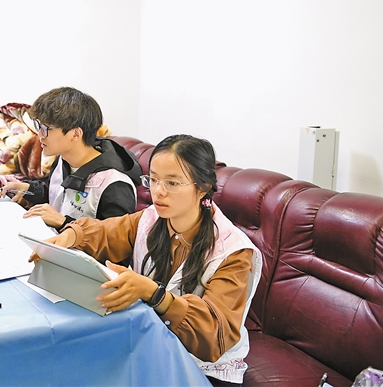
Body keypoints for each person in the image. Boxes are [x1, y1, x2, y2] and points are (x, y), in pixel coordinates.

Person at [32, 134, 261, 385]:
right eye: (153, 179)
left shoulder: (233, 251)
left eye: (172, 183)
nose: (158, 192)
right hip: (154, 342)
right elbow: (108, 232)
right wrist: (70, 237)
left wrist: (155, 294)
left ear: (203, 188)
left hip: (202, 368)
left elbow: (214, 336)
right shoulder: (152, 218)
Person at [0, 87, 141, 230]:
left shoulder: (114, 185)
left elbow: (117, 241)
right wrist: (28, 189)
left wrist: (63, 222)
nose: (40, 135)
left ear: (76, 134)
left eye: (46, 129)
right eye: (39, 126)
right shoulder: (63, 159)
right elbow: (60, 197)